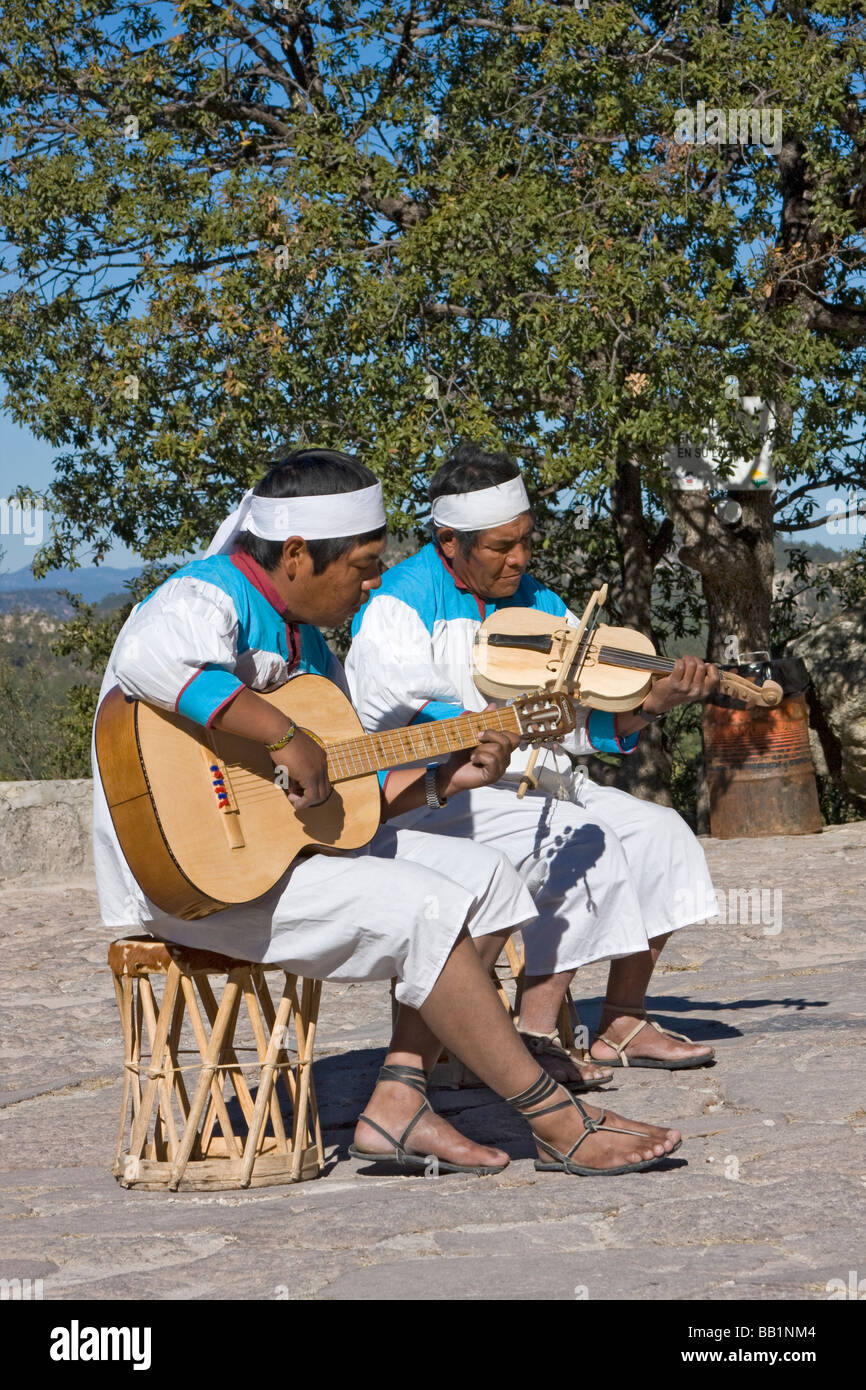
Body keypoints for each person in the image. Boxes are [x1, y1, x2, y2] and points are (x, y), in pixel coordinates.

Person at [92, 446, 683, 1176]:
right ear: (299, 553)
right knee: (426, 908)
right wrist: (281, 733)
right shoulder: (202, 597)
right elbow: (151, 660)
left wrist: (440, 781)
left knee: (492, 880)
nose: (375, 580)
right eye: (364, 564)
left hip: (279, 859)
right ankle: (557, 1121)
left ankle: (397, 1104)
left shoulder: (309, 647)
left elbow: (346, 794)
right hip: (197, 874)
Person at [346, 442, 721, 1089]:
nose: (519, 558)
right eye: (500, 547)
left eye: (525, 541)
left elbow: (587, 721)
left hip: (538, 780)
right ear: (448, 541)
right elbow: (384, 719)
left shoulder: (541, 602)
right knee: (580, 838)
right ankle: (535, 1034)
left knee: (662, 834)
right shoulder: (400, 605)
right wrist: (482, 730)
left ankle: (621, 1021)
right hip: (436, 798)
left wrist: (650, 705)